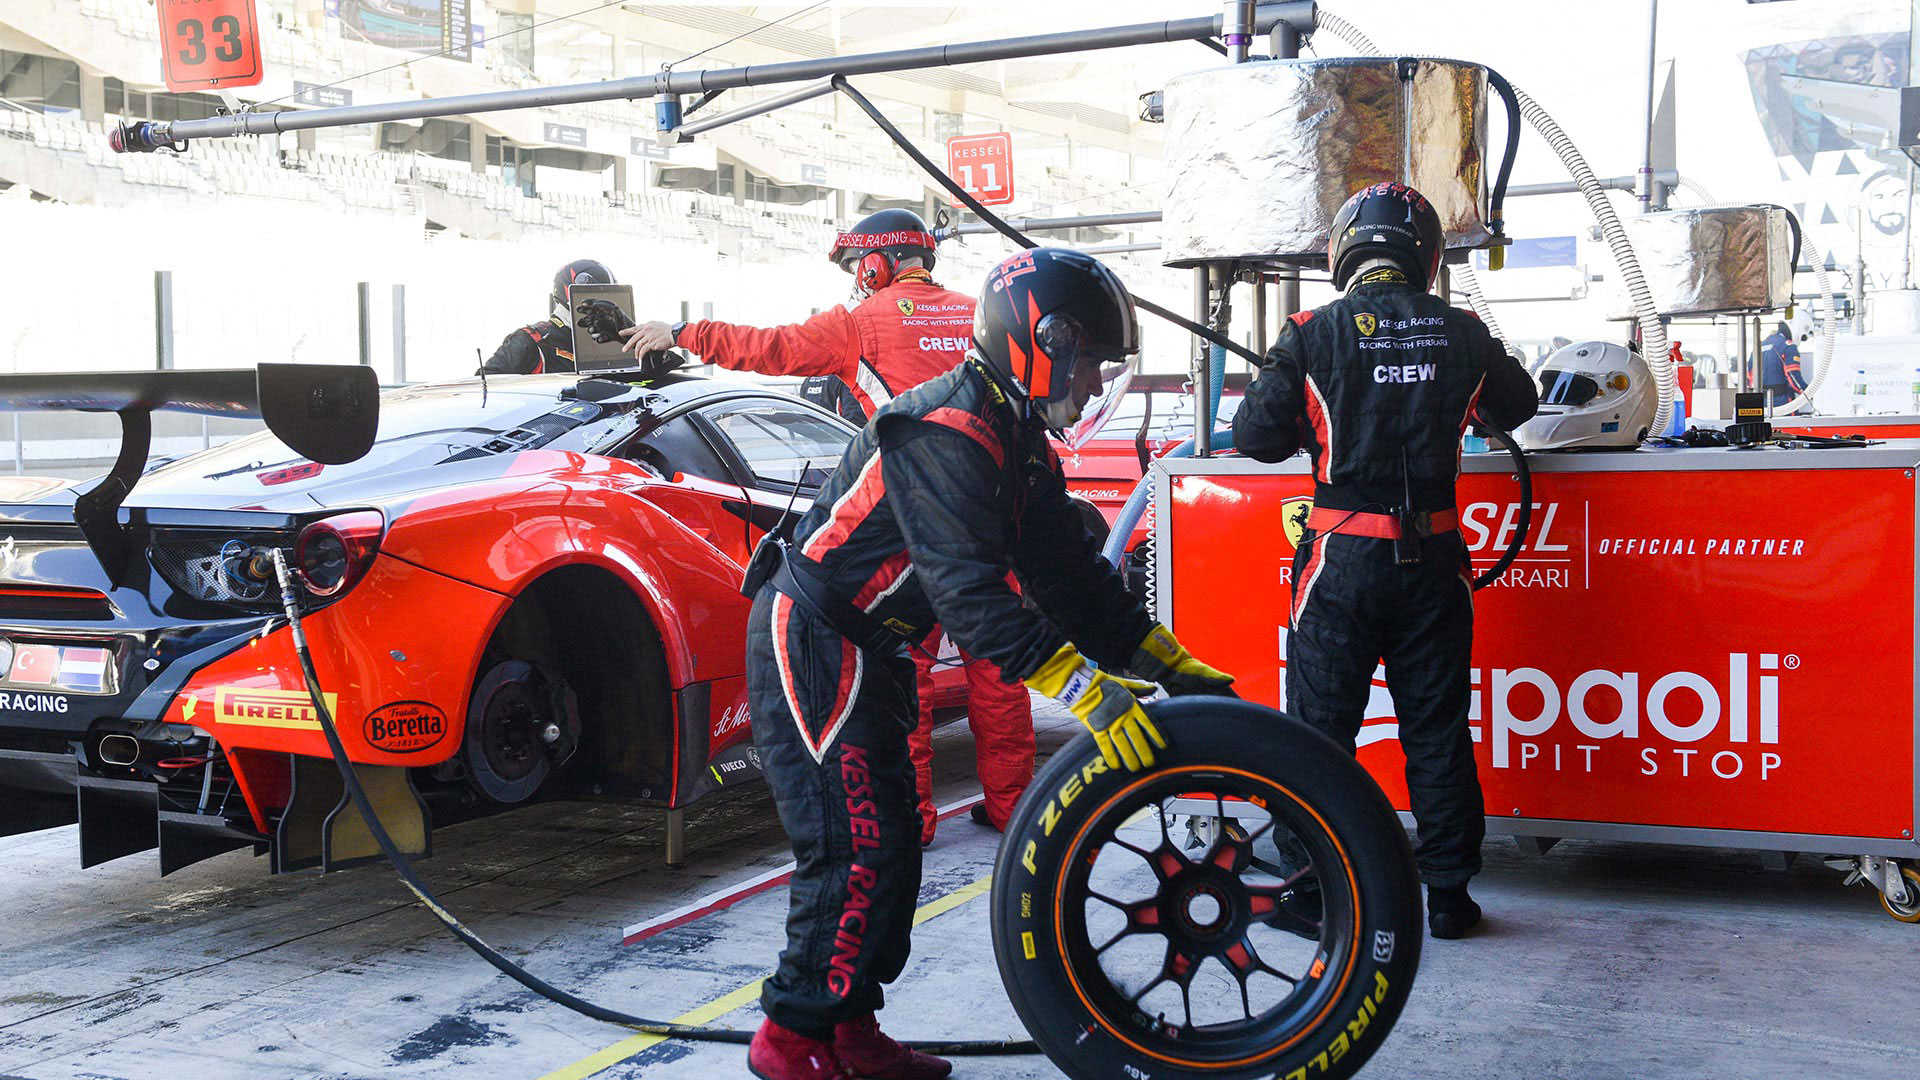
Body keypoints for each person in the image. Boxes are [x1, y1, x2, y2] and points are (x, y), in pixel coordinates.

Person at [738, 247, 1234, 1080]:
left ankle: (850, 1033)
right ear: (1042, 340)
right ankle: (789, 1042)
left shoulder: (1016, 435)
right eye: (1088, 365)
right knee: (852, 846)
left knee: (892, 845)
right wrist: (1086, 691)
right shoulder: (948, 429)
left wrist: (1171, 664)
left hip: (869, 646)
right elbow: (971, 598)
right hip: (814, 638)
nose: (1089, 385)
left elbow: (1070, 581)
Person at [622, 208, 1035, 846]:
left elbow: (771, 347)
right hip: (991, 507)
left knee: (908, 669)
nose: (855, 280)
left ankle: (914, 820)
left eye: (854, 268)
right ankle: (1015, 808)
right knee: (998, 665)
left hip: (913, 518)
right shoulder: (978, 312)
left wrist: (681, 332)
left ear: (876, 263)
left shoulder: (861, 323)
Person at [1231, 182, 1538, 940]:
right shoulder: (1463, 330)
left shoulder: (1310, 331)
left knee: (1319, 732)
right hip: (1434, 561)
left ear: (1344, 251)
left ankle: (1313, 889)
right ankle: (1451, 897)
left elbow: (1253, 438)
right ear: (1426, 254)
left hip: (1340, 563)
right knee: (1435, 728)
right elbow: (1520, 403)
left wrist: (1294, 378)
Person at [480, 258, 618, 375]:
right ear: (570, 295)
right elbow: (483, 389)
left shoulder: (614, 343)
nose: (602, 308)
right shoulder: (530, 341)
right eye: (594, 298)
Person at [1760, 307, 1811, 408]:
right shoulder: (1788, 347)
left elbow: (1749, 379)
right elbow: (1794, 379)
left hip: (1762, 405)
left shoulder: (1759, 346)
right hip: (1784, 404)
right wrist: (1811, 394)